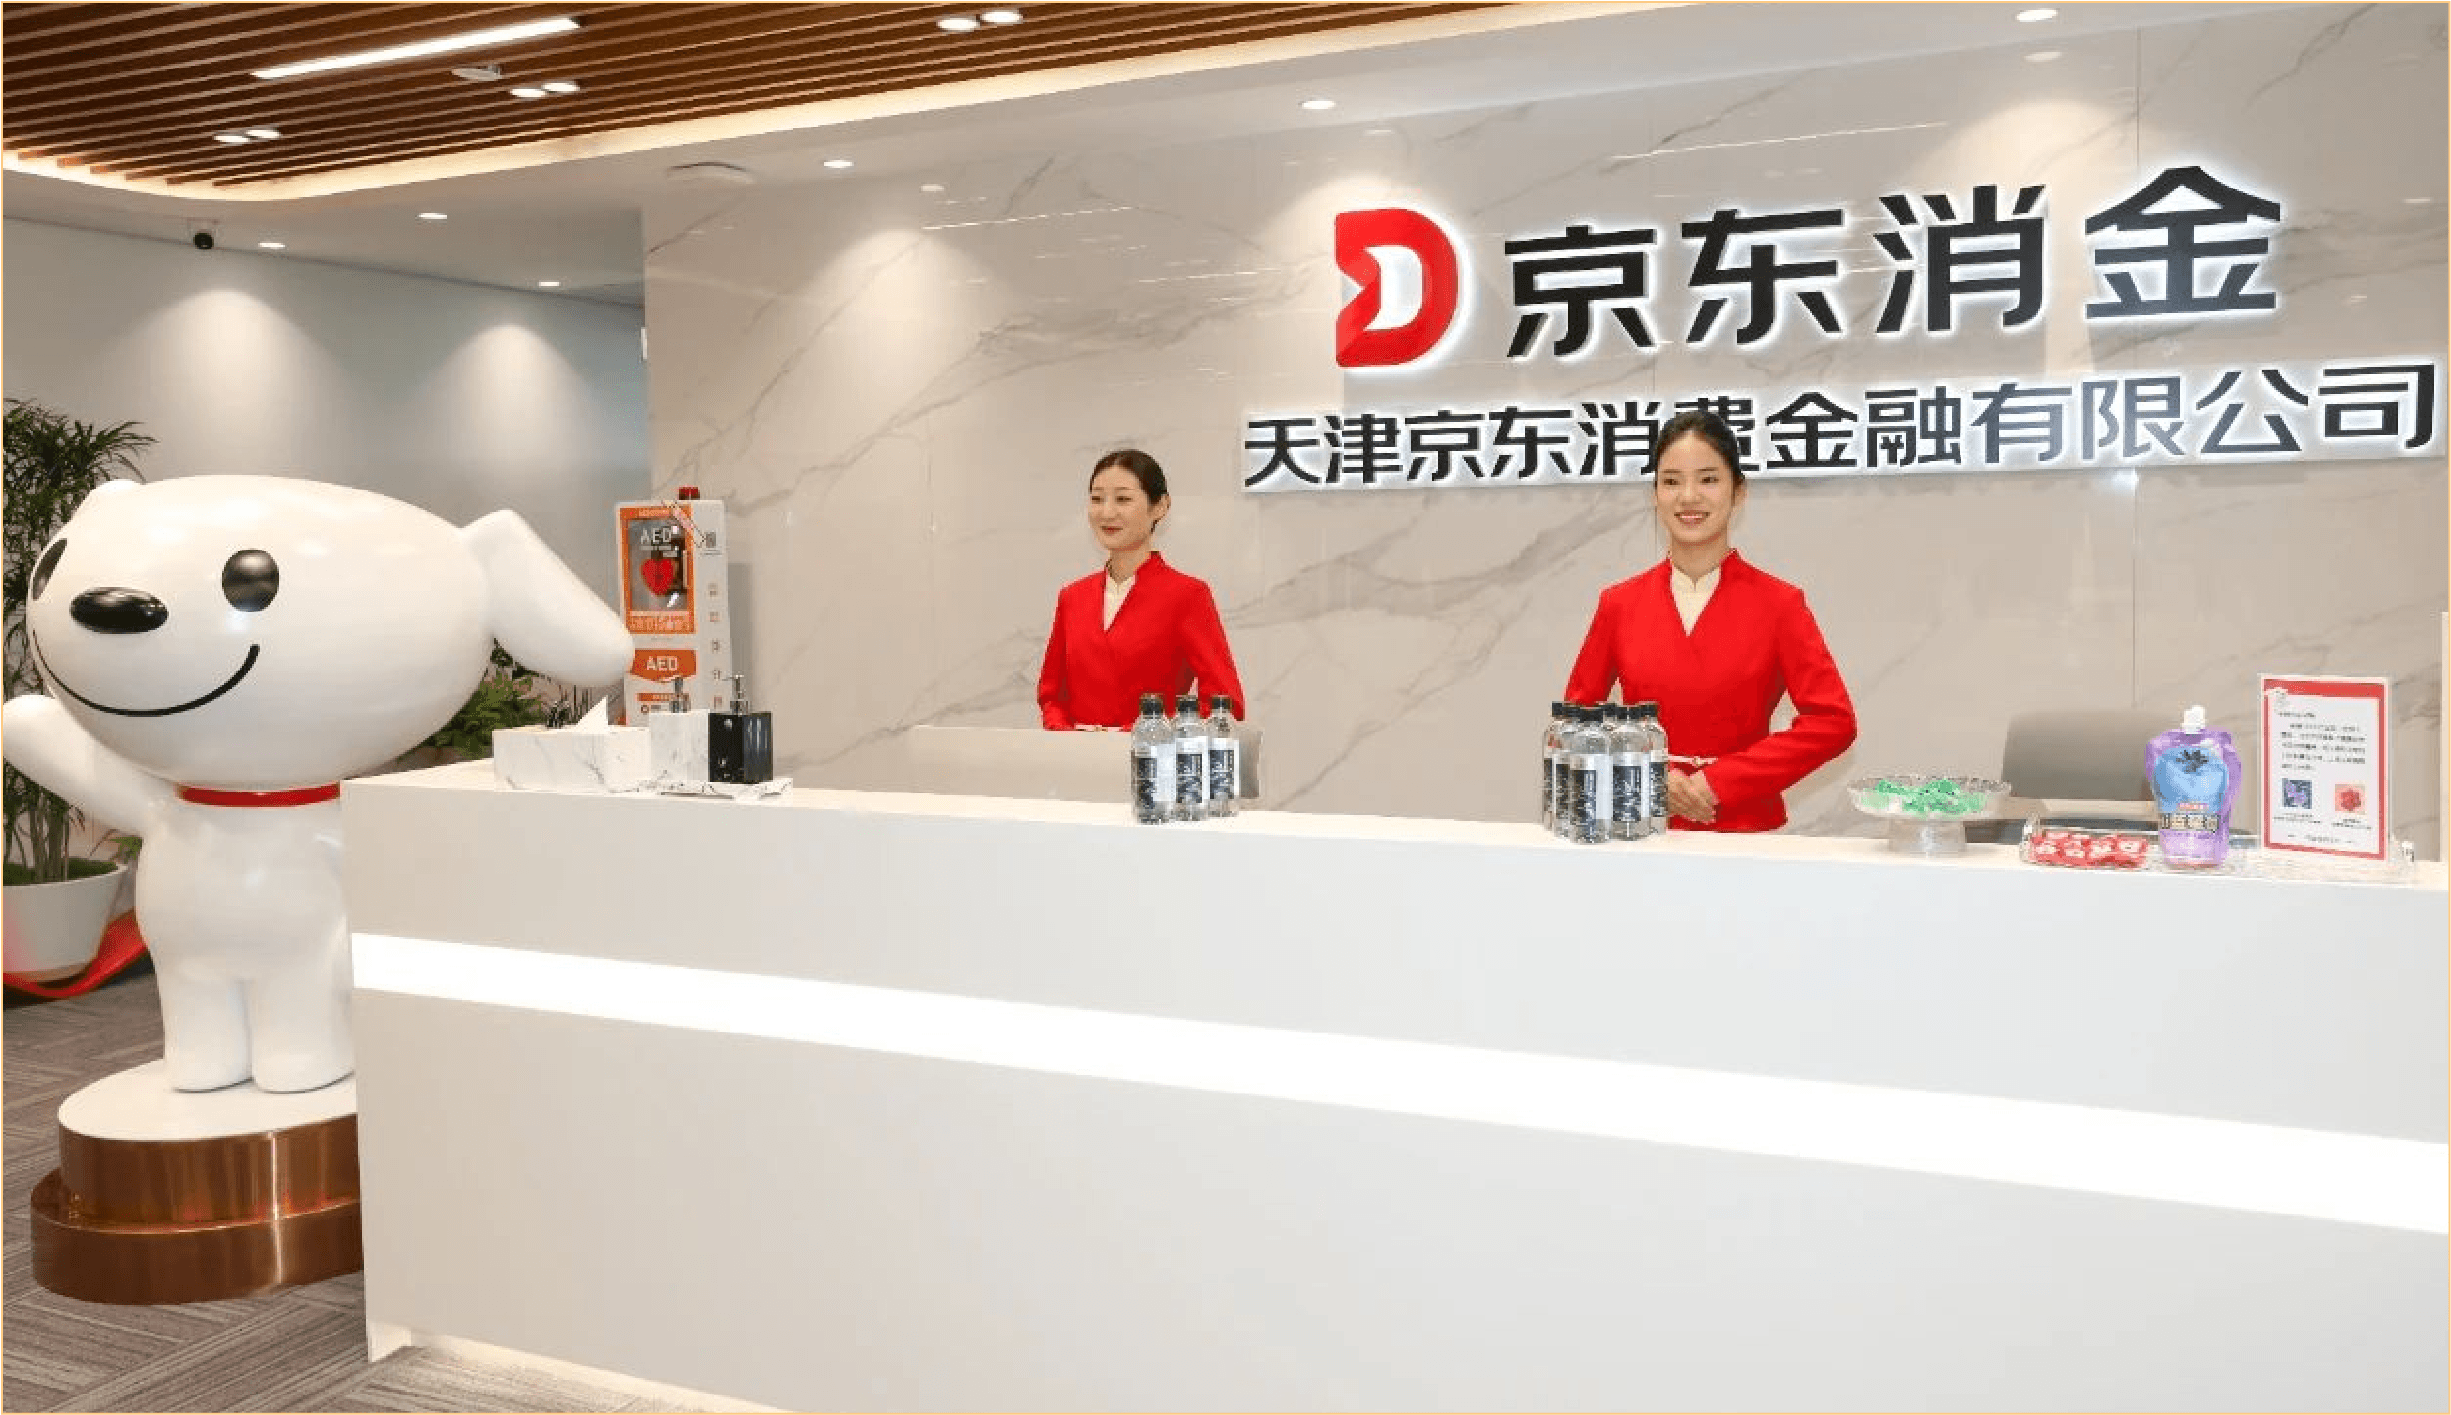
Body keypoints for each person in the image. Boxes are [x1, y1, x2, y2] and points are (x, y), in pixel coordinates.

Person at [1563, 409, 1855, 831]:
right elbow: (1574, 722)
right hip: (1642, 828)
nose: (1689, 497)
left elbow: (1833, 722)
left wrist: (1718, 782)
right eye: (1671, 481)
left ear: (1739, 491)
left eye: (1708, 479)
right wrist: (1650, 776)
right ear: (1654, 493)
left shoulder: (1780, 604)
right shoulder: (1619, 604)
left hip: (1744, 829)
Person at [1037, 449, 1245, 730]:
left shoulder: (1187, 594)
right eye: (1097, 499)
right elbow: (1052, 695)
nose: (1106, 512)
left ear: (1159, 506)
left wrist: (1150, 733)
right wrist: (1067, 735)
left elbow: (1224, 703)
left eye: (1123, 499)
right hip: (1076, 754)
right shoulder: (1073, 596)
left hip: (1154, 753)